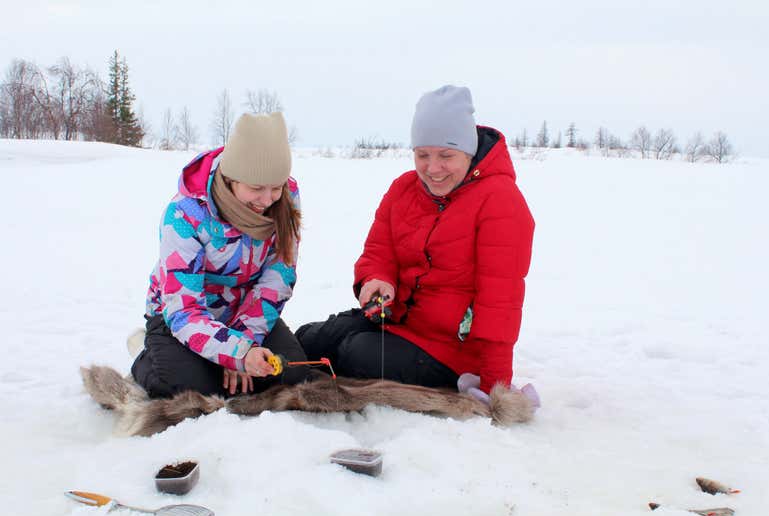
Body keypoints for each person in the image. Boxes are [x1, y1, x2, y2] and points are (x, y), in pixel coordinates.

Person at [295, 85, 537, 404]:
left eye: (446, 156)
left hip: (453, 351)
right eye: (423, 155)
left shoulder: (500, 202)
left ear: (469, 150)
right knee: (310, 338)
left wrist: (496, 386)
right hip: (397, 324)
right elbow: (378, 252)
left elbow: (500, 301)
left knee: (354, 354)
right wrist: (376, 280)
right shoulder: (404, 189)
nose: (433, 169)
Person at [132, 112, 309, 398]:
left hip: (246, 311)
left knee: (290, 373)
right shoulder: (185, 214)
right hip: (181, 315)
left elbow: (279, 277)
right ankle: (149, 354)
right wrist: (236, 353)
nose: (267, 201)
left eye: (275, 188)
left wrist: (246, 343)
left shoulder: (286, 198)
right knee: (192, 387)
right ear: (231, 178)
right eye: (256, 188)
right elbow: (184, 308)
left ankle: (214, 360)